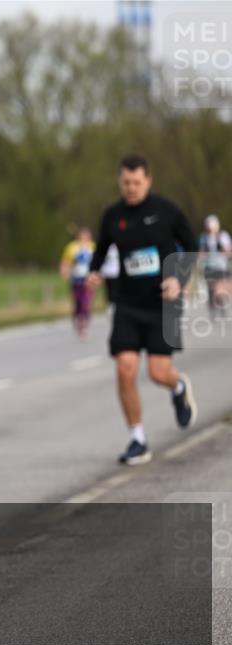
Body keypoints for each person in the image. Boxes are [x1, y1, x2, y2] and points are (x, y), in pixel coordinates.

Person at [86, 154, 197, 465]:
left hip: (165, 302)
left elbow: (190, 246)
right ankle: (138, 439)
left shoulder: (167, 211)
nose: (131, 188)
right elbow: (101, 250)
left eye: (137, 182)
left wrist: (179, 279)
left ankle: (178, 386)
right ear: (119, 182)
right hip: (128, 303)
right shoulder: (112, 215)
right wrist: (94, 272)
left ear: (148, 180)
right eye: (126, 183)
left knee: (158, 372)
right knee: (125, 369)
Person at [60, 227, 96, 340]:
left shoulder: (93, 246)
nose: (84, 238)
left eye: (86, 236)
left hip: (89, 279)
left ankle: (84, 325)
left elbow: (99, 262)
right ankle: (77, 319)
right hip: (76, 278)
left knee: (86, 302)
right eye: (82, 236)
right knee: (77, 303)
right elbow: (66, 262)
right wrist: (64, 272)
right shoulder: (72, 247)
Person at [199, 214, 231, 319]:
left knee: (219, 290)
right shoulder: (204, 237)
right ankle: (212, 311)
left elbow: (228, 251)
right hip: (209, 268)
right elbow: (201, 253)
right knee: (210, 291)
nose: (210, 230)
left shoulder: (223, 236)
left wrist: (222, 250)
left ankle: (222, 306)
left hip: (221, 267)